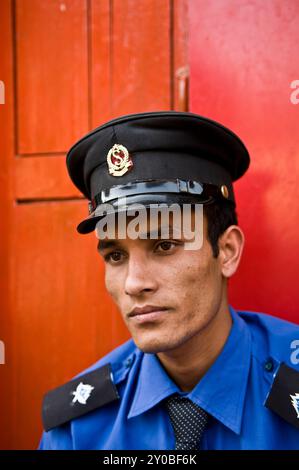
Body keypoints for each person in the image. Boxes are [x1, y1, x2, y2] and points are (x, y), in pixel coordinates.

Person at [39, 111, 299, 450]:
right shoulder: (79, 428)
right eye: (116, 256)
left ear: (227, 251)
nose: (134, 283)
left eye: (164, 245)